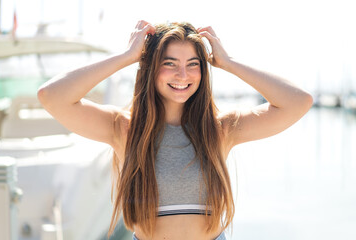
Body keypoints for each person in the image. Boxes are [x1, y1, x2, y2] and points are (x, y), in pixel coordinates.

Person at [37, 20, 313, 240]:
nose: (183, 75)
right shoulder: (124, 128)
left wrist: (228, 63)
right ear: (151, 68)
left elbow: (298, 102)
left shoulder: (220, 129)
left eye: (193, 65)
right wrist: (126, 57)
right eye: (170, 64)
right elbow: (52, 96)